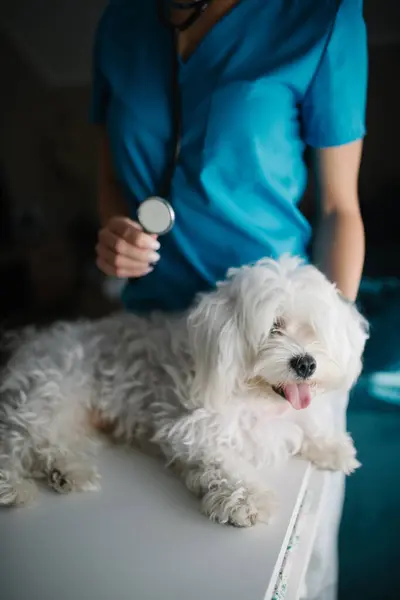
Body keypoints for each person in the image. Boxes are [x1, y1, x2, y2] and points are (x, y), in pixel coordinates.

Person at [92, 1, 368, 598]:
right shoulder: (119, 22)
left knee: (293, 563)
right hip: (155, 339)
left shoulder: (323, 16)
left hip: (286, 340)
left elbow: (340, 209)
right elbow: (111, 177)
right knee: (144, 540)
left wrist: (331, 339)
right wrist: (114, 233)